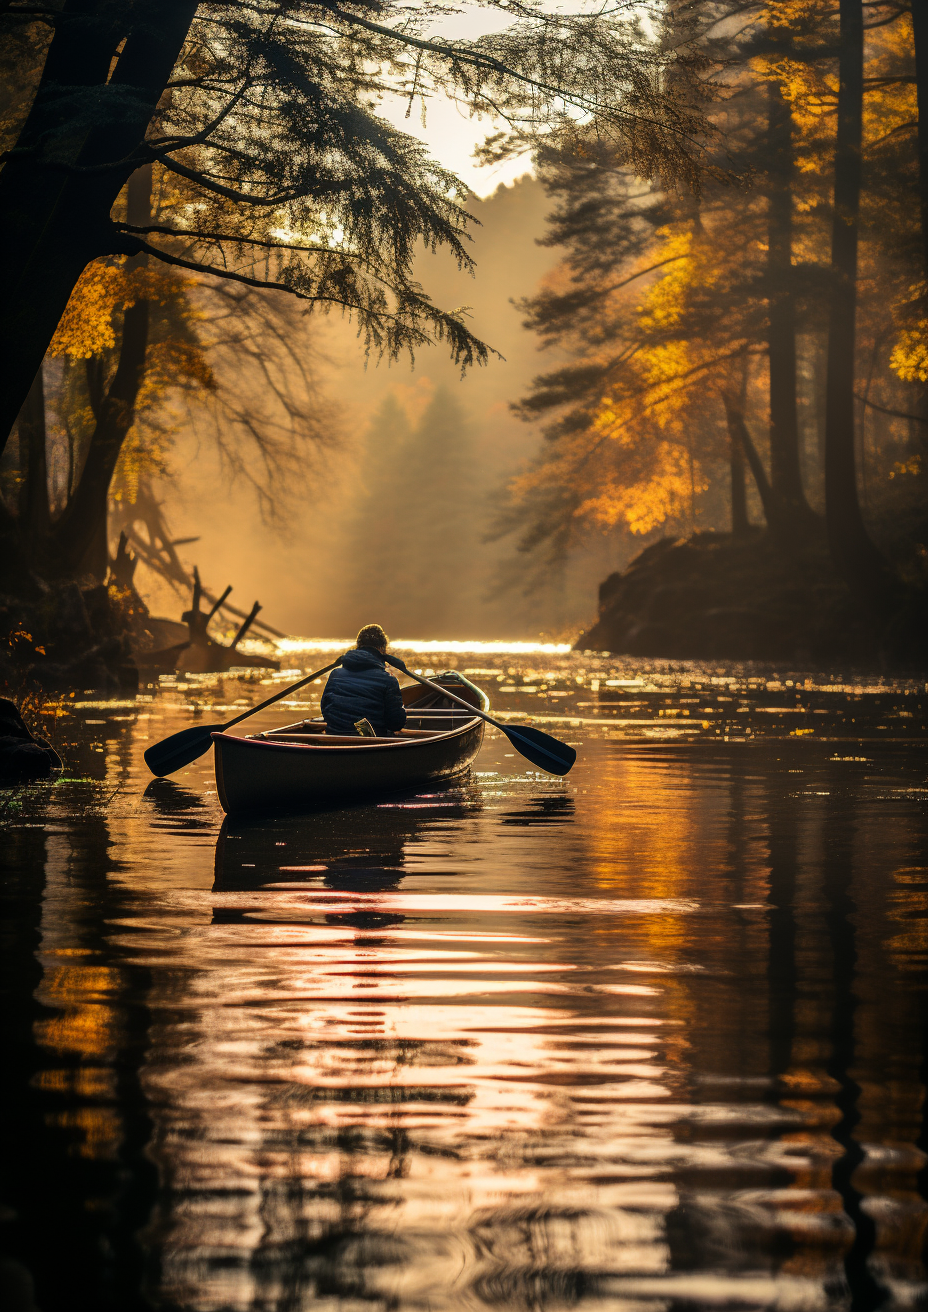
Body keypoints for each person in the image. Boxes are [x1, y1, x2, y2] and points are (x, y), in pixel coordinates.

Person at [321, 624, 407, 737]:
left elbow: (325, 711)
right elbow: (396, 724)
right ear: (383, 649)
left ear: (358, 646)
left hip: (335, 737)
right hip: (370, 741)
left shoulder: (335, 674)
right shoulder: (388, 680)